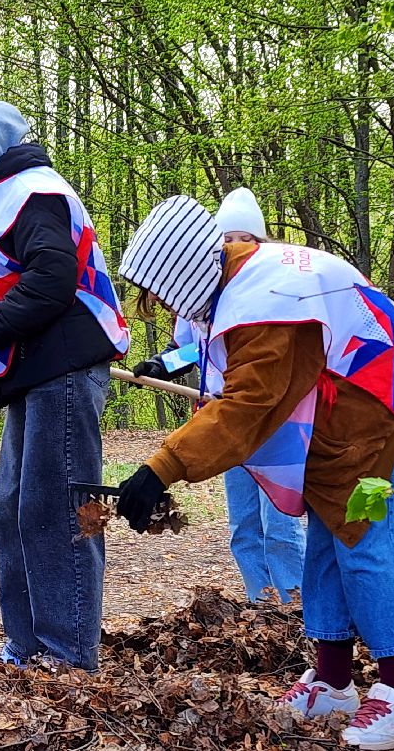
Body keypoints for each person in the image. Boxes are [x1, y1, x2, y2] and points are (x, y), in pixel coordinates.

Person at [112, 195, 394, 750]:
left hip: (383, 402)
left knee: (371, 544)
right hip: (342, 413)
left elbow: (245, 408)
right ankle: (334, 680)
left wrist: (159, 469)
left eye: (163, 298)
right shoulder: (245, 278)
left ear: (185, 276)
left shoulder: (265, 304)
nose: (166, 311)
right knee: (328, 541)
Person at [0, 101, 129, 672]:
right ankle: (26, 643)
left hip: (63, 367)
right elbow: (15, 269)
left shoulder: (35, 192)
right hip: (35, 370)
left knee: (60, 508)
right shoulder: (6, 197)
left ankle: (68, 653)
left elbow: (51, 281)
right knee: (14, 506)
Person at [129, 189, 305, 604]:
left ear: (259, 244)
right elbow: (194, 346)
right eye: (226, 239)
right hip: (220, 418)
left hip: (271, 419)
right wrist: (164, 363)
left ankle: (293, 603)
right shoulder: (200, 294)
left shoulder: (266, 291)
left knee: (278, 522)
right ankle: (261, 604)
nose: (233, 247)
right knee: (243, 524)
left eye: (243, 239)